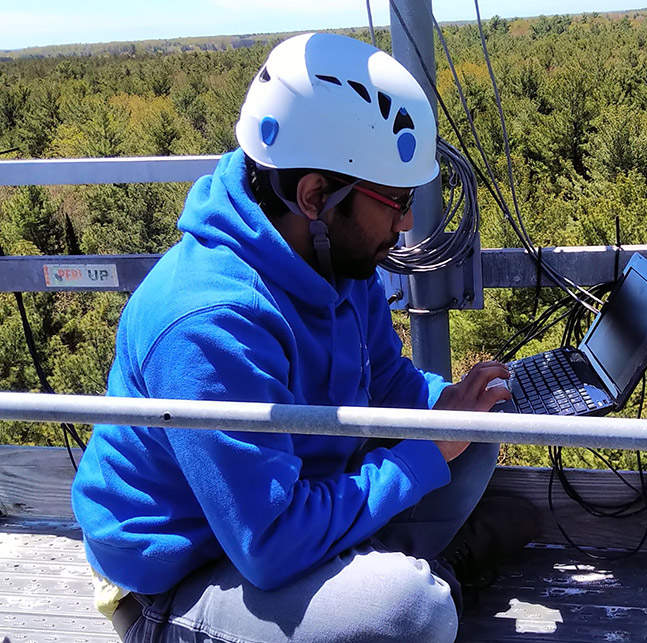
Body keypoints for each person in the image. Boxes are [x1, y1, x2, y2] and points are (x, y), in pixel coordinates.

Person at [72, 32, 535, 643]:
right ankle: (415, 582)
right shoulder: (208, 323)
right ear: (316, 194)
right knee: (408, 614)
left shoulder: (336, 256)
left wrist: (457, 404)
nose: (406, 222)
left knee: (474, 437)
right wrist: (425, 453)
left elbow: (386, 382)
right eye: (397, 201)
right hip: (188, 574)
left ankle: (402, 576)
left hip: (279, 518)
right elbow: (268, 543)